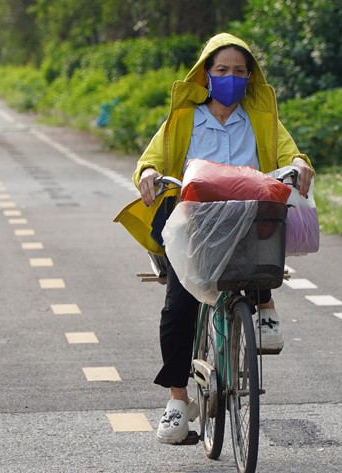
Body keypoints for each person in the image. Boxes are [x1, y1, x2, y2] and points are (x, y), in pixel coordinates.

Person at [119, 32, 314, 445]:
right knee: (179, 303)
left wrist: (299, 164)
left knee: (267, 222)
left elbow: (290, 154)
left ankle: (265, 304)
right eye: (222, 70)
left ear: (249, 78)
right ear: (206, 75)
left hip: (246, 221)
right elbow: (150, 161)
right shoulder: (184, 119)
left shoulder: (262, 121)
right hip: (195, 224)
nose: (230, 77)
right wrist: (150, 175)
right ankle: (177, 399)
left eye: (239, 71)